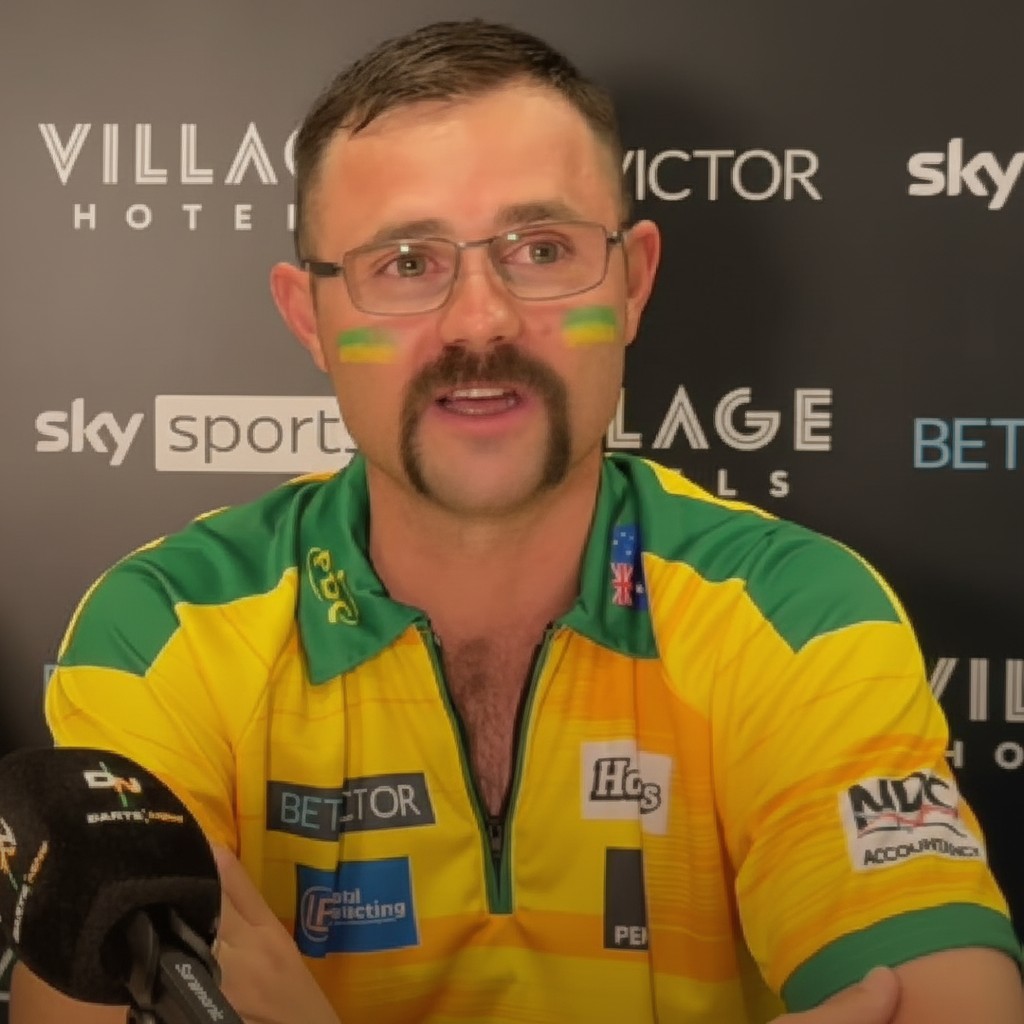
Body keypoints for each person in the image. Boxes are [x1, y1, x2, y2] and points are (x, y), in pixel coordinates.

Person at [11, 18, 1024, 1024]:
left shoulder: (792, 611)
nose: (481, 320)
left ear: (632, 283)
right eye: (405, 262)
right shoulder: (170, 625)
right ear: (309, 316)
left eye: (540, 249)